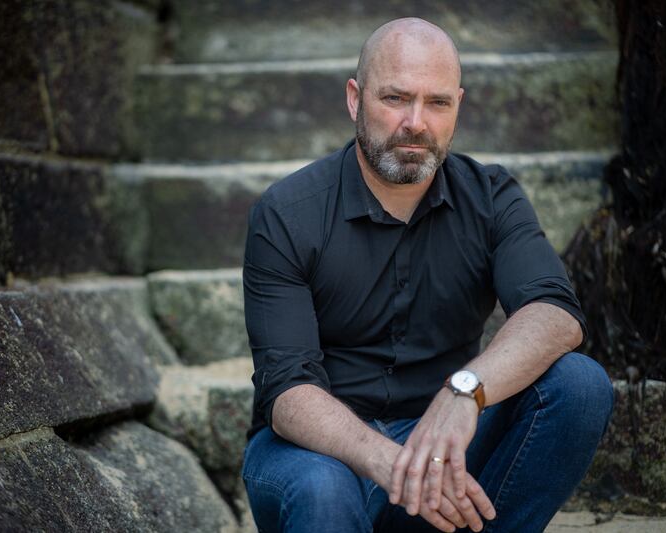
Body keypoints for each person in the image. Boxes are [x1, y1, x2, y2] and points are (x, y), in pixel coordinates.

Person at [241, 17, 613, 533]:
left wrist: (465, 391)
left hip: (442, 445)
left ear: (457, 106)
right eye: (395, 98)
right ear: (355, 99)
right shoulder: (286, 213)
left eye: (437, 103)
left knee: (580, 385)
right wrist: (391, 463)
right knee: (322, 491)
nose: (416, 123)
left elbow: (555, 314)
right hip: (317, 454)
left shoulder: (491, 198)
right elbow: (286, 393)